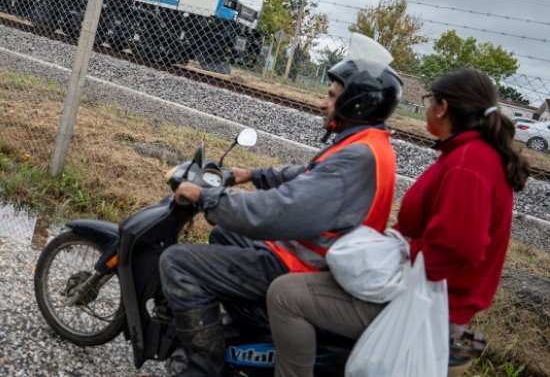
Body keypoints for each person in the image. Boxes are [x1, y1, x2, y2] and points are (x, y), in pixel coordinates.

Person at [266, 68, 531, 377]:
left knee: (285, 295)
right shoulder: (469, 155)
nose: (428, 108)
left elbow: (459, 246)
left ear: (443, 107)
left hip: (429, 304)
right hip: (435, 296)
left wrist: (405, 251)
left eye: (430, 100)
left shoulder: (467, 163)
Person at [158, 52, 403, 376]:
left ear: (355, 103)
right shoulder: (369, 144)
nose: (322, 103)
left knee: (176, 262)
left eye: (331, 96)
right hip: (317, 252)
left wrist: (207, 196)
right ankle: (246, 332)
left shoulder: (355, 157)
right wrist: (254, 174)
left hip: (304, 263)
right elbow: (310, 174)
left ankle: (203, 367)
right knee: (222, 235)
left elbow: (277, 212)